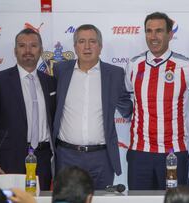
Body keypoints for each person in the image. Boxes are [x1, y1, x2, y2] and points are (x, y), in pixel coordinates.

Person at [125, 12, 189, 190]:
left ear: (170, 34)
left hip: (173, 152)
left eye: (159, 31)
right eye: (149, 31)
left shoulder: (186, 66)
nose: (153, 36)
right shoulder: (134, 65)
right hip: (139, 152)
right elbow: (128, 94)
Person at [53, 24, 132, 189]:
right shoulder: (61, 70)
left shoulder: (115, 74)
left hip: (101, 157)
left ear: (100, 46)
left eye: (92, 41)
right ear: (75, 47)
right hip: (67, 156)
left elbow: (127, 108)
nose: (87, 46)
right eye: (81, 41)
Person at [0, 28, 56, 190]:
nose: (28, 50)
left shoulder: (51, 82)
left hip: (44, 159)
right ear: (15, 50)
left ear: (41, 50)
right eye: (22, 46)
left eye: (33, 45)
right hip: (8, 159)